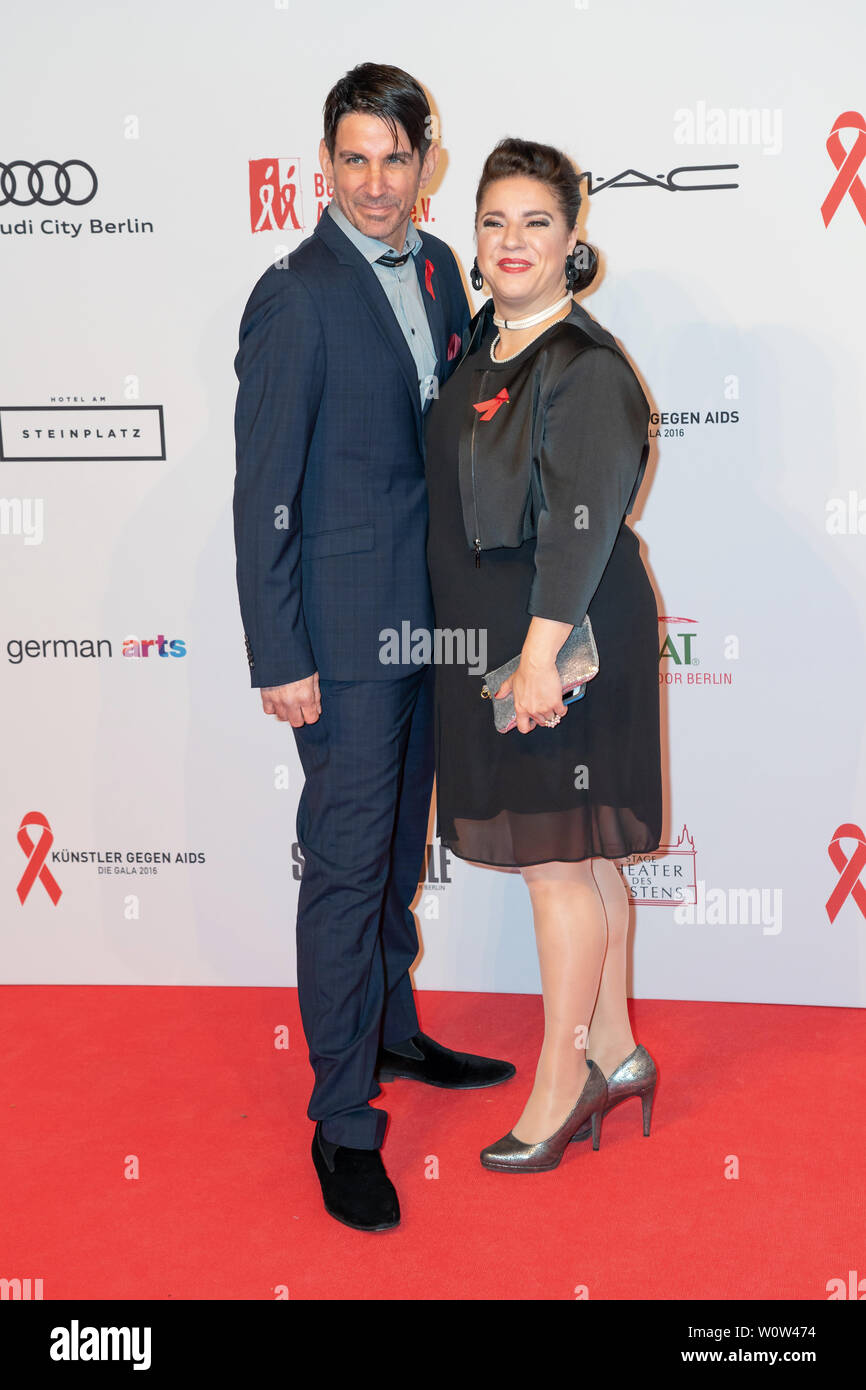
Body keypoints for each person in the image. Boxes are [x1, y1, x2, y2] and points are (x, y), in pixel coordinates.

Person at [232, 65, 515, 1232]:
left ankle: (391, 1031)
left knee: (400, 848)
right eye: (353, 159)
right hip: (341, 645)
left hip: (430, 623)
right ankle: (342, 1120)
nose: (376, 183)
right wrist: (278, 655)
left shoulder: (444, 266)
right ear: (322, 166)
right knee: (346, 874)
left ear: (425, 161)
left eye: (395, 158)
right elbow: (264, 496)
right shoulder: (293, 294)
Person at [424, 137, 662, 1172]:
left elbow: (576, 526)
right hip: (499, 630)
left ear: (574, 243)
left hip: (559, 637)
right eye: (493, 221)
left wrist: (537, 659)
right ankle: (613, 1050)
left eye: (536, 223)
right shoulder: (484, 342)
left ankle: (561, 1081)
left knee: (557, 866)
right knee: (586, 853)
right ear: (471, 242)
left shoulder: (583, 366)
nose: (511, 241)